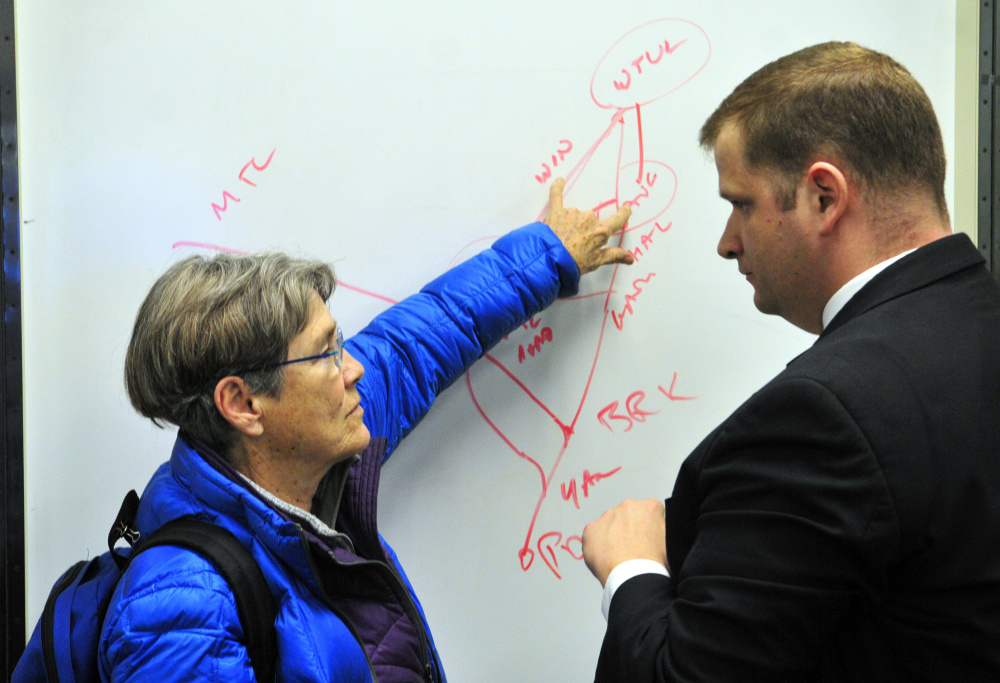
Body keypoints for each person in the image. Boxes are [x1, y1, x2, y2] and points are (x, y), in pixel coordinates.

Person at [98, 179, 632, 682]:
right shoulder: (179, 610)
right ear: (243, 404)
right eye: (327, 353)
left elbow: (413, 344)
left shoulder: (310, 450)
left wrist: (545, 254)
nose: (353, 369)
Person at [581, 41, 1000, 681]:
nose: (727, 243)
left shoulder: (824, 418)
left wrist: (632, 571)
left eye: (741, 204)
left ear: (824, 197)